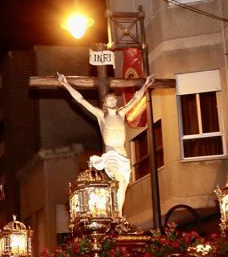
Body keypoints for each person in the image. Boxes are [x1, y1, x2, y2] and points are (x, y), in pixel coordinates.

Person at [55, 73, 155, 216]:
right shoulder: (101, 116)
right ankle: (117, 215)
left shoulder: (121, 113)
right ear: (105, 104)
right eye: (109, 100)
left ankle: (118, 213)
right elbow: (81, 100)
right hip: (111, 155)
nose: (113, 101)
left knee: (123, 185)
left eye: (114, 99)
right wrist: (66, 84)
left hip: (123, 156)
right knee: (117, 181)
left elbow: (135, 99)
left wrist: (146, 85)